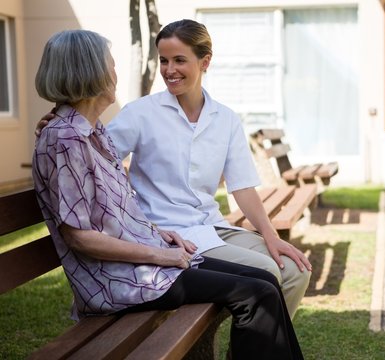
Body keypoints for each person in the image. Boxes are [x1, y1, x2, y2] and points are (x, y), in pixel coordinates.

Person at [32, 29, 304, 360]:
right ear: (91, 73)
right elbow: (80, 235)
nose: (168, 69)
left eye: (179, 60)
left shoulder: (91, 134)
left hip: (164, 248)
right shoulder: (75, 137)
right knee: (261, 286)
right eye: (111, 64)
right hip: (127, 275)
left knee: (271, 278)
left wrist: (161, 240)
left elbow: (111, 201)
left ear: (205, 63)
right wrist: (164, 253)